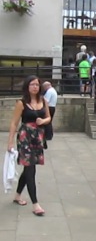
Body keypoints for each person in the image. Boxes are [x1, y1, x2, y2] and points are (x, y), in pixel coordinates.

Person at [7, 75, 51, 216]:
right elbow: (14, 122)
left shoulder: (43, 100)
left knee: (28, 169)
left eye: (37, 84)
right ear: (27, 86)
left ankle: (17, 196)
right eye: (32, 84)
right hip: (25, 137)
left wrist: (42, 121)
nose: (35, 87)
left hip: (38, 138)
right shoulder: (21, 103)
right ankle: (35, 204)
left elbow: (49, 117)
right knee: (30, 169)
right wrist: (10, 142)